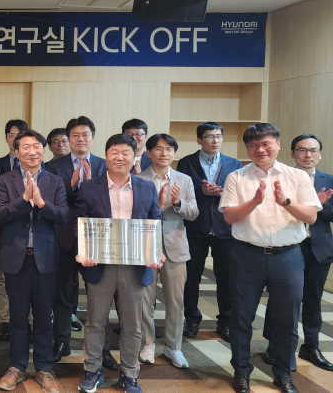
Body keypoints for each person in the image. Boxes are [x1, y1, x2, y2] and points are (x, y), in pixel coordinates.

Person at [220, 123, 321, 393]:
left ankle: (283, 373)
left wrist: (286, 202)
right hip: (246, 255)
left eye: (266, 144)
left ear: (278, 144)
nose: (260, 149)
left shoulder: (296, 176)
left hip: (288, 257)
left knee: (287, 318)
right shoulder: (236, 177)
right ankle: (241, 372)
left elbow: (311, 216)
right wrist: (254, 201)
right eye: (254, 145)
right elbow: (229, 216)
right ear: (247, 149)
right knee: (241, 317)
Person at [76, 133, 162, 393]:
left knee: (132, 325)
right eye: (114, 152)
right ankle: (92, 370)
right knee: (95, 322)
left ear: (135, 157)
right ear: (106, 156)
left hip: (135, 266)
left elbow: (154, 222)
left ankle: (129, 374)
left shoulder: (147, 187)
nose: (120, 157)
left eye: (126, 152)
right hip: (99, 264)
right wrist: (82, 251)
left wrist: (156, 251)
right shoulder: (89, 187)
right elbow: (81, 223)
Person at [0, 129, 68, 393]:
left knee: (43, 316)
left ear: (43, 150)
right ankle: (16, 366)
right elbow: (1, 215)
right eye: (25, 147)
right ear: (17, 152)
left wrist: (42, 203)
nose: (32, 151)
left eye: (36, 146)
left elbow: (63, 216)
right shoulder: (4, 180)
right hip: (16, 258)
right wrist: (25, 199)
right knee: (17, 316)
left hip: (45, 258)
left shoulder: (55, 181)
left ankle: (44, 368)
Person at [46, 116, 114, 368]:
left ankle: (103, 348)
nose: (80, 139)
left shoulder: (105, 165)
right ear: (68, 139)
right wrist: (72, 184)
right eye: (74, 135)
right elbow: (50, 200)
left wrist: (89, 186)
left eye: (85, 134)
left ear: (93, 138)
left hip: (96, 239)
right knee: (63, 293)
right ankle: (61, 341)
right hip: (64, 237)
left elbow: (111, 200)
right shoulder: (53, 166)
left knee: (100, 295)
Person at [262, 134, 333, 372]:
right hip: (287, 247)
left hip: (318, 249)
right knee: (280, 298)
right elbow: (272, 211)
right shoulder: (281, 178)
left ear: (320, 154)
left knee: (313, 299)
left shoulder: (329, 180)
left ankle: (311, 346)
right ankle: (274, 344)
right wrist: (309, 204)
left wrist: (318, 205)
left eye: (313, 150)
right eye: (302, 150)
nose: (308, 155)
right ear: (292, 153)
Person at [135, 134, 198, 369]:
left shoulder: (185, 180)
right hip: (145, 246)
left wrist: (178, 203)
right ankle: (148, 343)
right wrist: (158, 206)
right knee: (144, 299)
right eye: (159, 149)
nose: (164, 153)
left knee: (175, 300)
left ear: (174, 153)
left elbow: (193, 213)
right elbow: (133, 214)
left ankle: (174, 347)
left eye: (169, 149)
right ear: (148, 153)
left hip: (176, 247)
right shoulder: (138, 179)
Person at [176, 122, 241, 342]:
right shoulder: (186, 162)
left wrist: (223, 193)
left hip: (225, 228)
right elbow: (181, 191)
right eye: (210, 136)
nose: (215, 141)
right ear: (199, 140)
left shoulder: (234, 163)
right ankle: (192, 319)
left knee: (226, 278)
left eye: (219, 136)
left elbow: (240, 192)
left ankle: (225, 322)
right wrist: (201, 190)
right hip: (196, 226)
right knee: (191, 278)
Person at [0, 119, 28, 340]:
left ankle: (24, 319)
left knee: (29, 278)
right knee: (3, 276)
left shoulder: (37, 165)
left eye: (21, 134)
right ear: (6, 138)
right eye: (12, 134)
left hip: (30, 230)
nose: (16, 138)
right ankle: (4, 320)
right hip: (5, 228)